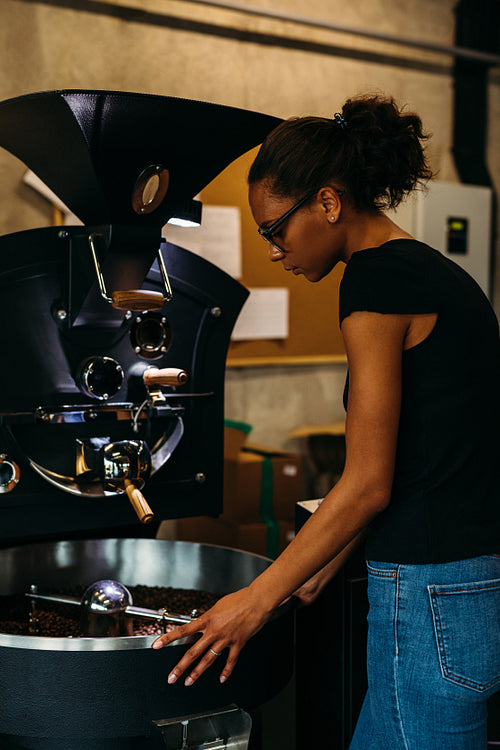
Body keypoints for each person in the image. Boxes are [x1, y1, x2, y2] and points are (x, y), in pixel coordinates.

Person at [153, 94, 500, 749]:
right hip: (468, 586)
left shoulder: (374, 283)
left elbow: (369, 482)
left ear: (329, 203)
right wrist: (325, 556)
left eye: (275, 229)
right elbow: (425, 457)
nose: (275, 250)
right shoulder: (430, 272)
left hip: (425, 595)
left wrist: (253, 602)